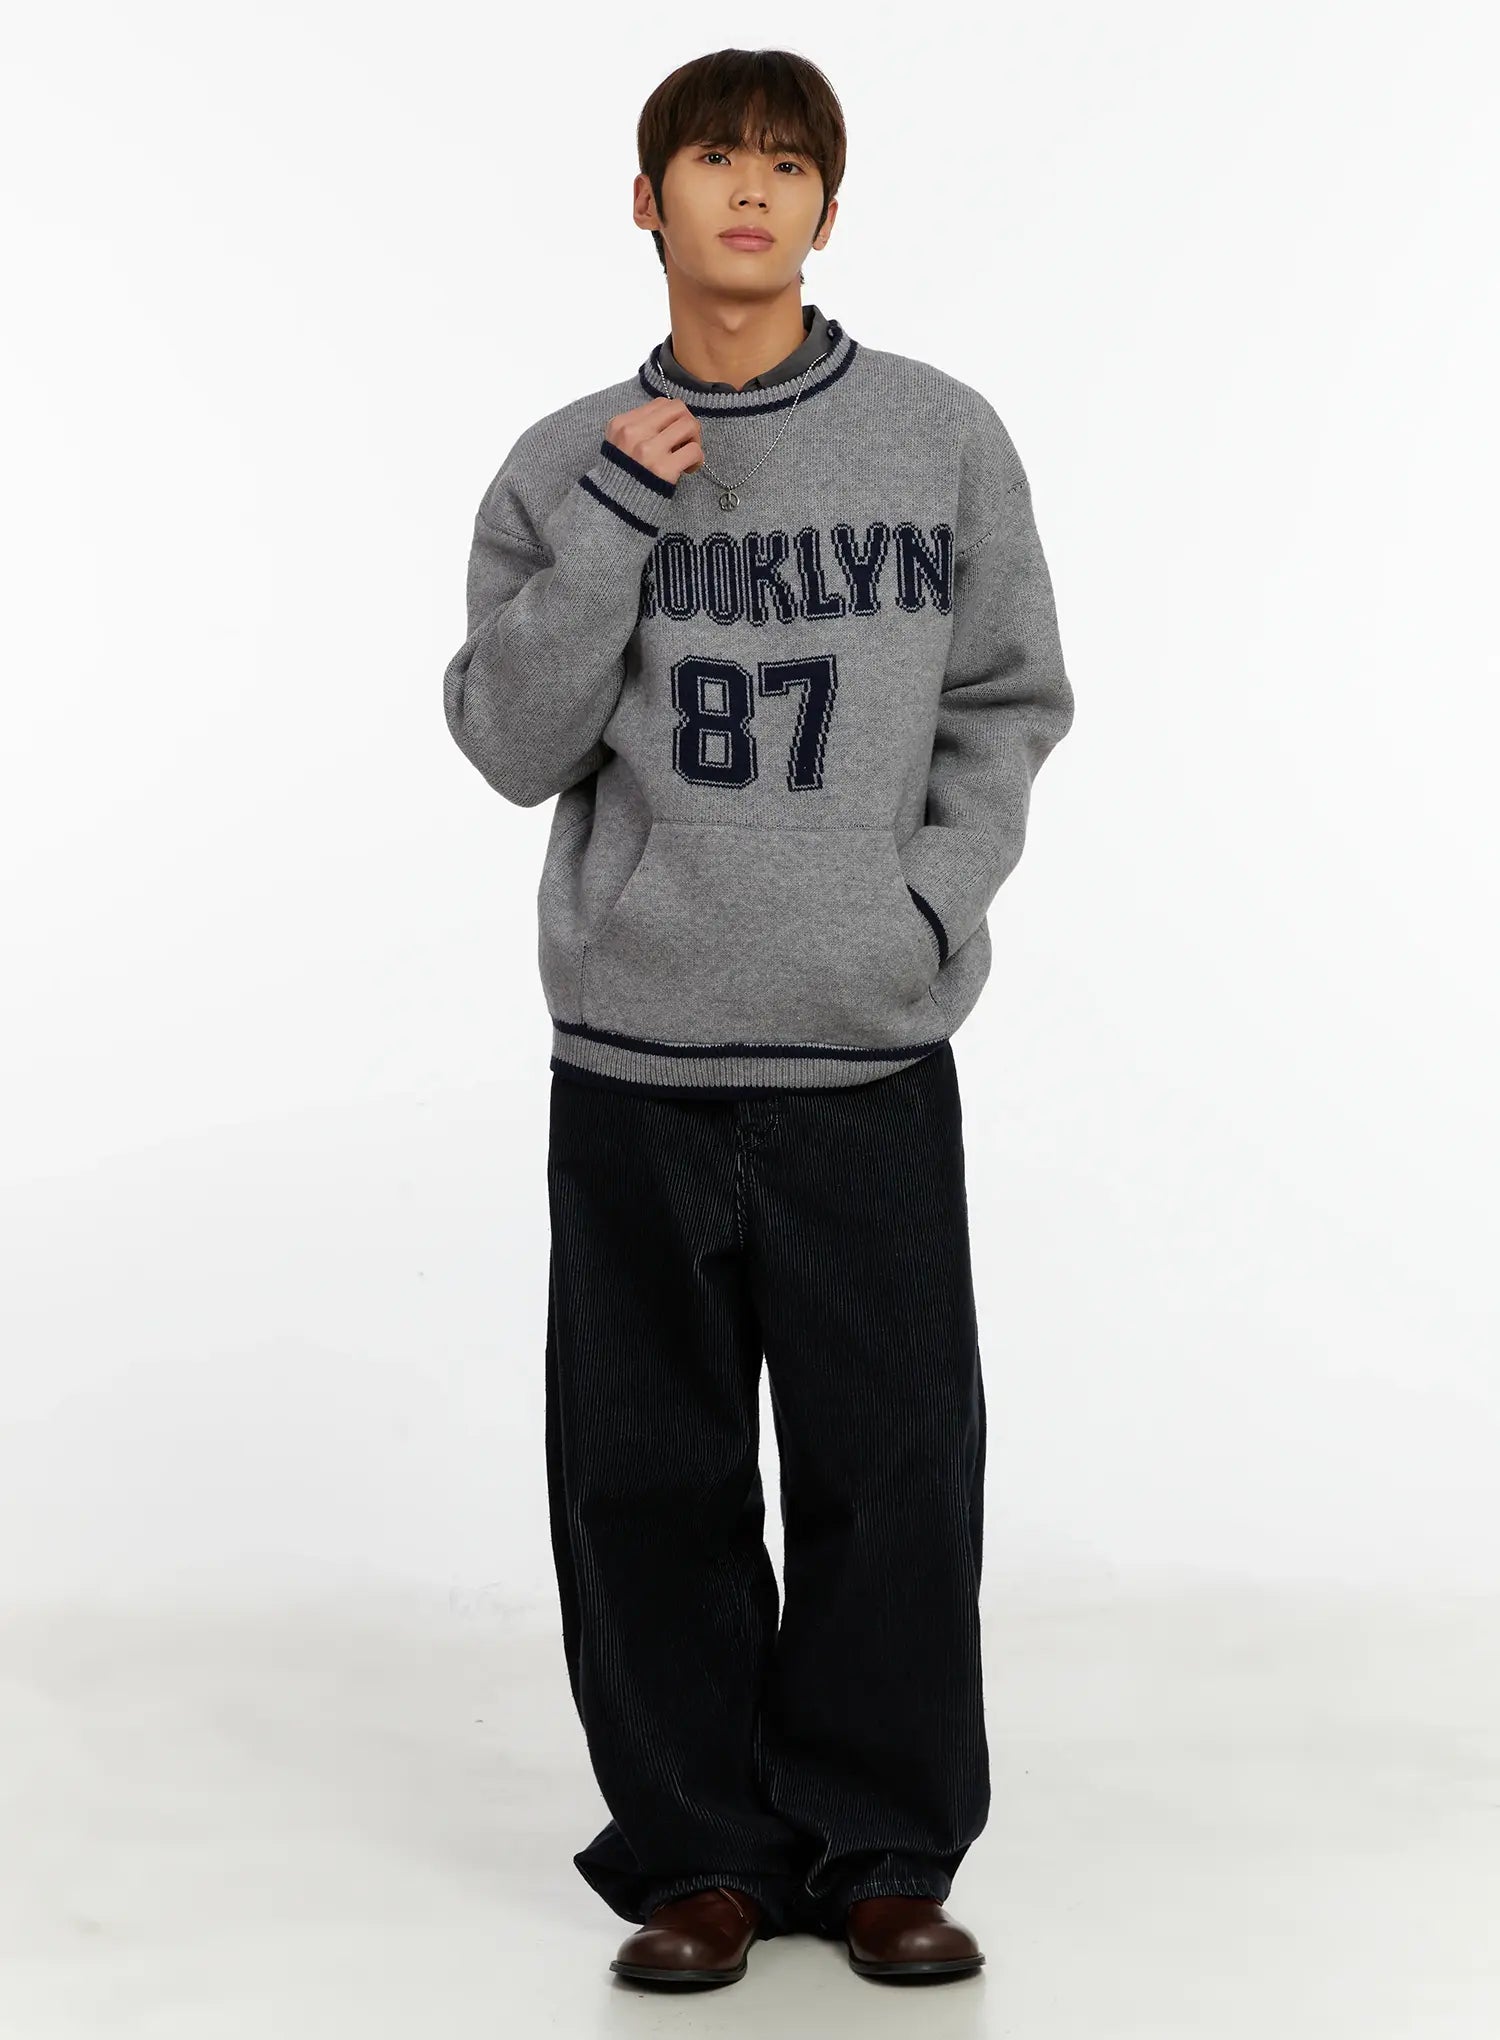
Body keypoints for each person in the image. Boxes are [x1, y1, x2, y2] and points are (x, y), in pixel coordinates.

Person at [442, 46, 1074, 1991]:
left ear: (826, 207)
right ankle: (700, 1856)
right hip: (637, 1053)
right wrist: (620, 524)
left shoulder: (938, 437)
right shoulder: (563, 461)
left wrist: (922, 906)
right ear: (647, 202)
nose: (749, 190)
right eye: (712, 159)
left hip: (864, 1047)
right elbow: (508, 739)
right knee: (648, 1472)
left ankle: (883, 1853)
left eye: (786, 165)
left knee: (894, 1469)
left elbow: (1007, 699)